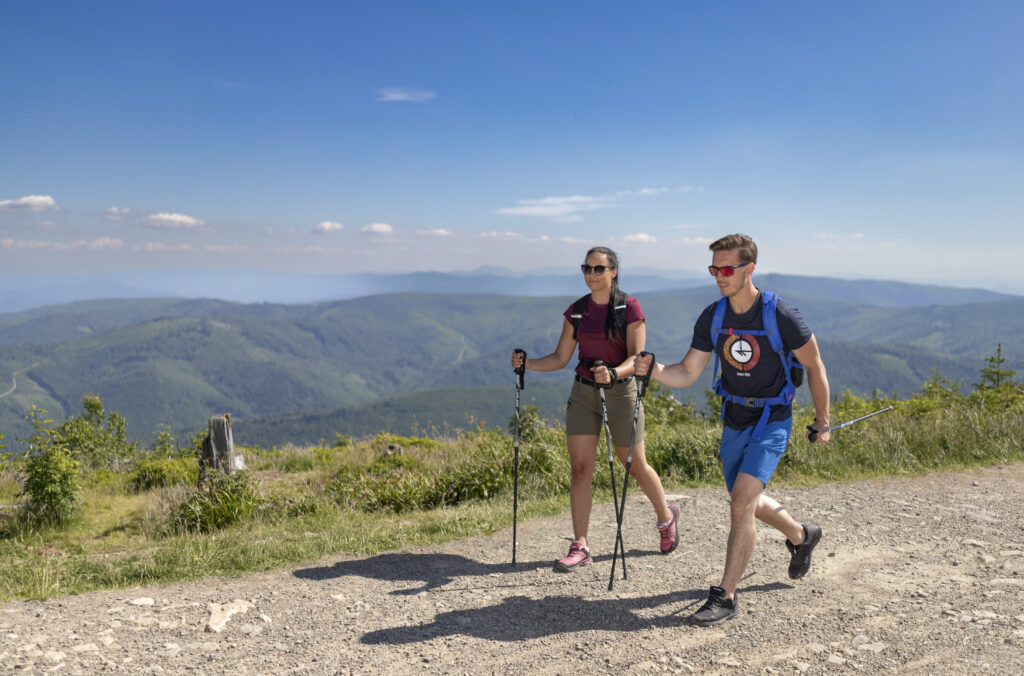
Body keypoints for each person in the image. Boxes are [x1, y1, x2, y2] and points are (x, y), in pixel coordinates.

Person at [635, 233, 831, 626]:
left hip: (773, 419)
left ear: (749, 268)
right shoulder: (714, 317)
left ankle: (725, 595)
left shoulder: (781, 315)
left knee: (740, 503)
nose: (719, 276)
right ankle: (801, 535)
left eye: (727, 269)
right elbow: (688, 371)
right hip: (734, 419)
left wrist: (822, 422)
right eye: (714, 269)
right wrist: (654, 368)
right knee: (747, 500)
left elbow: (815, 367)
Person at [510, 246, 680, 572]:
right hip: (584, 392)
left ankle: (666, 517)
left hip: (621, 392)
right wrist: (526, 364)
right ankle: (581, 545)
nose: (592, 274)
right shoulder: (577, 311)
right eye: (587, 268)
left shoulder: (629, 307)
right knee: (580, 469)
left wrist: (615, 372)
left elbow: (638, 358)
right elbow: (561, 358)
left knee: (632, 463)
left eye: (599, 269)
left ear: (613, 271)